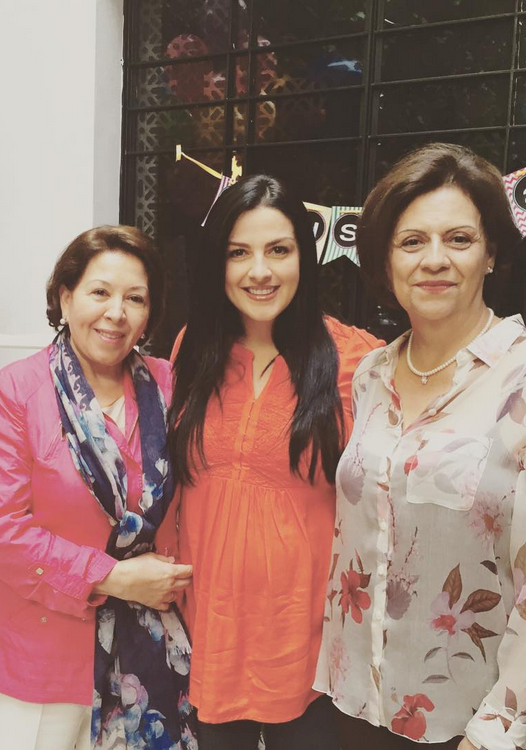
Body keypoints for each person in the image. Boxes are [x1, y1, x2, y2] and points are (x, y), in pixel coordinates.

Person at [315, 142, 526, 750]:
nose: (435, 259)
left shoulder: (517, 378)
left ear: (491, 253)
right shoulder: (371, 374)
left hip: (467, 723)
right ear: (386, 261)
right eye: (411, 242)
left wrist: (496, 728)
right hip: (352, 701)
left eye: (459, 239)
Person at [162, 174, 381, 749]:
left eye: (278, 250)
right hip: (210, 634)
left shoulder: (358, 361)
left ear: (305, 256)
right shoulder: (192, 349)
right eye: (239, 253)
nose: (259, 271)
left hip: (307, 647)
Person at [0, 225, 197, 750]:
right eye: (100, 292)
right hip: (42, 653)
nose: (116, 312)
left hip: (153, 652)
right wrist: (115, 578)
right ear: (66, 297)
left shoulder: (171, 386)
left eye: (135, 298)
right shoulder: (18, 391)